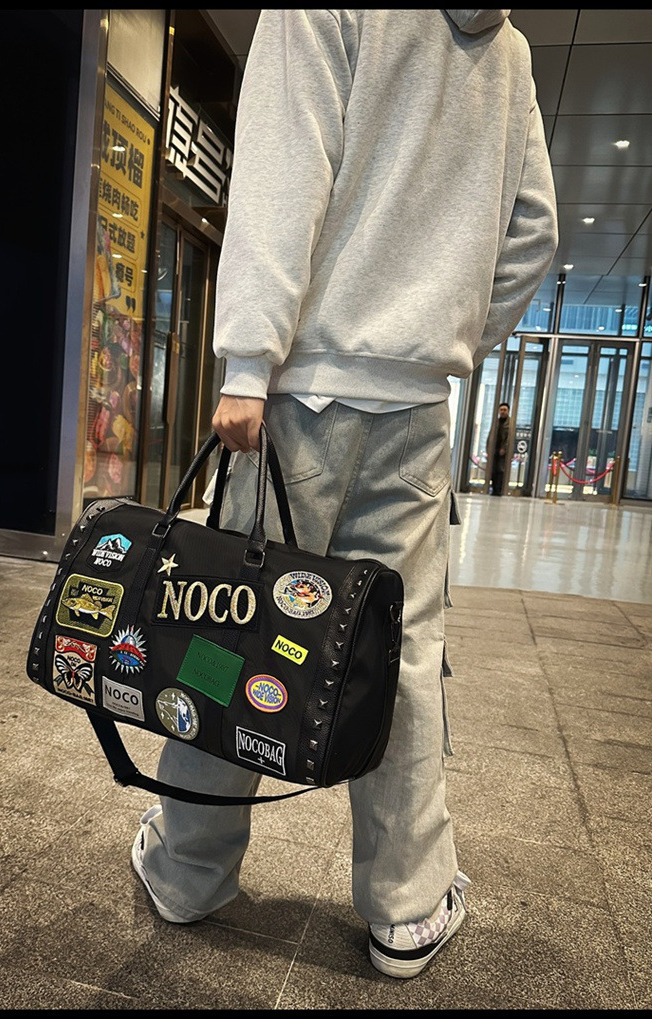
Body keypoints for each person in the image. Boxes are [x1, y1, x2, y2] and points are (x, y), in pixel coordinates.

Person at [131, 9, 558, 980]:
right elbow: (533, 232)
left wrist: (249, 360)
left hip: (298, 396)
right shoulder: (508, 50)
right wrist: (446, 331)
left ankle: (190, 869)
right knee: (403, 650)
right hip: (417, 409)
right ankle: (408, 906)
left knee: (232, 624)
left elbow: (286, 168)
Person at [488, 402, 512, 496]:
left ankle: (499, 490)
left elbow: (510, 438)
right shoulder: (496, 422)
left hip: (504, 452)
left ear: (508, 411)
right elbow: (490, 436)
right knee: (493, 470)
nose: (503, 412)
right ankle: (494, 489)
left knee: (501, 470)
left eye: (505, 410)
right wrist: (489, 449)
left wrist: (504, 448)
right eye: (501, 410)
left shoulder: (510, 424)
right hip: (494, 450)